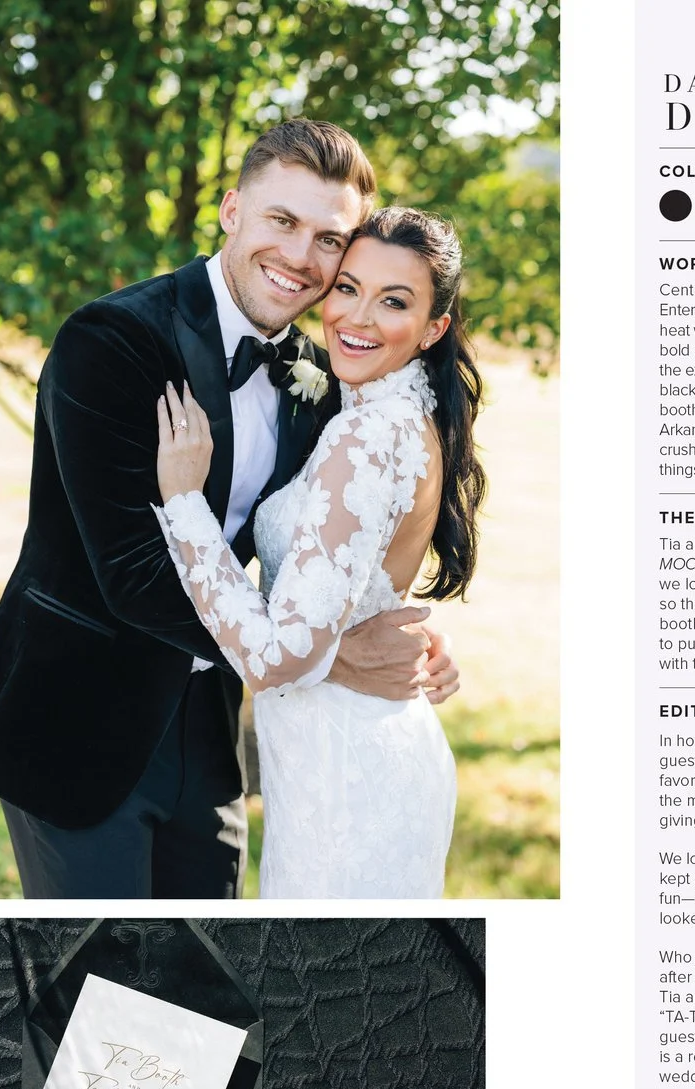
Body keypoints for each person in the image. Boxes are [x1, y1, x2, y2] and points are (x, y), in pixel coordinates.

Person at [0, 120, 457, 898]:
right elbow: (128, 573)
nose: (300, 257)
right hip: (81, 720)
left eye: (330, 239)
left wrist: (391, 627)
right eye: (282, 221)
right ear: (230, 210)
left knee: (206, 985)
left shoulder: (321, 374)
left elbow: (339, 532)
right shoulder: (110, 340)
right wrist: (333, 656)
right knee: (101, 984)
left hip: (214, 728)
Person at [152, 207, 480, 897]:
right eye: (347, 287)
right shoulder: (393, 411)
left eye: (394, 301)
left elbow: (279, 659)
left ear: (434, 327)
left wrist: (186, 506)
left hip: (346, 778)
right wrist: (379, 643)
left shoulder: (367, 436)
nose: (357, 318)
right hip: (354, 755)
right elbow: (353, 578)